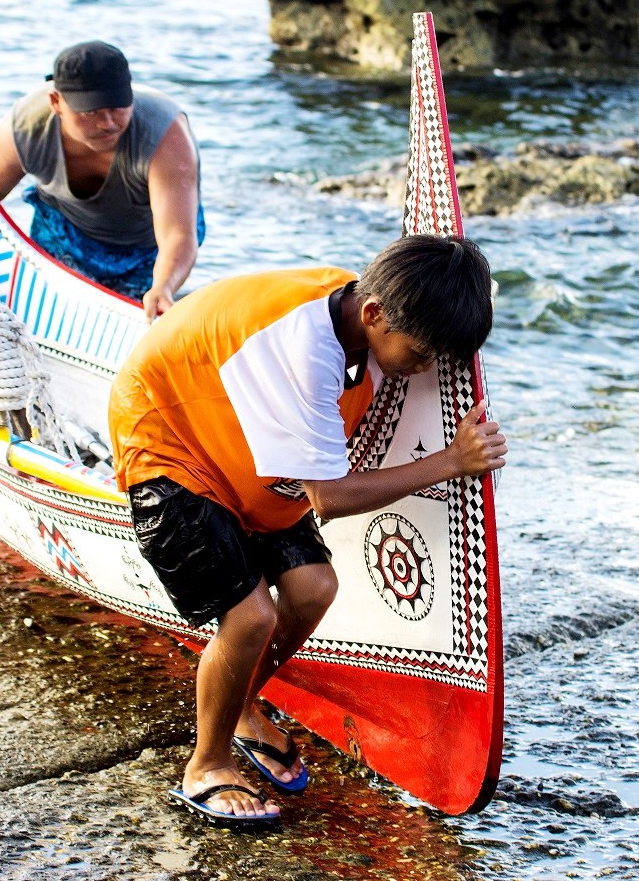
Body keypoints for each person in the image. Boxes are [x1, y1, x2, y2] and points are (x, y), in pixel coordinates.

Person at [106, 234, 506, 826]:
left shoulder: (367, 300)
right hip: (167, 439)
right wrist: (451, 460)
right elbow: (328, 499)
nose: (424, 368)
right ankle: (206, 765)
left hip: (238, 436)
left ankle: (240, 708)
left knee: (314, 587)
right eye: (421, 354)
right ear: (373, 315)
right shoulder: (308, 350)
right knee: (250, 617)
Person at [0, 40, 202, 321]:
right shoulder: (26, 128)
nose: (108, 123)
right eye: (90, 111)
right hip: (64, 232)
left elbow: (177, 234)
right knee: (51, 319)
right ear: (56, 102)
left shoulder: (165, 135)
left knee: (134, 318)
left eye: (118, 107)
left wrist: (163, 286)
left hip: (146, 247)